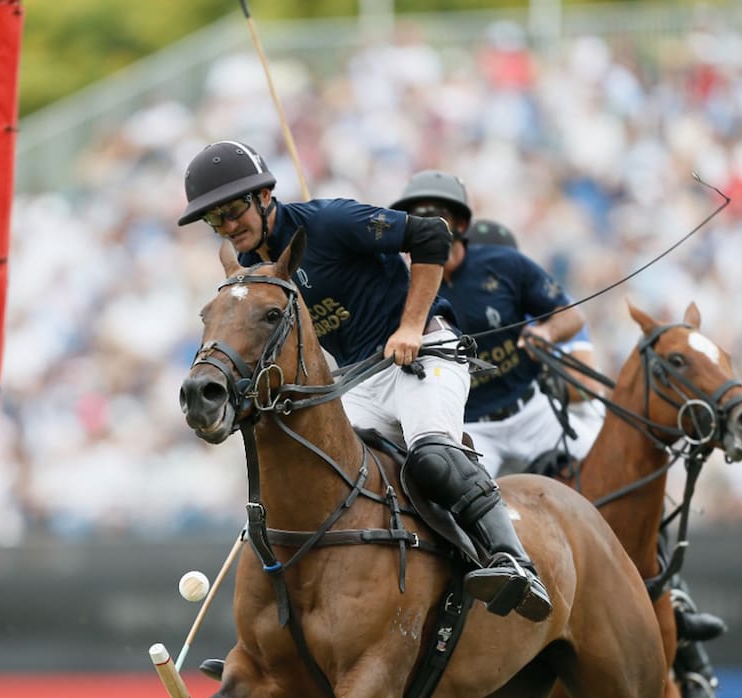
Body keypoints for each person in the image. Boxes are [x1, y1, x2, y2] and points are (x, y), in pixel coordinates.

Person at [178, 140, 552, 625]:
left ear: (265, 196)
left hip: (426, 355)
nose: (229, 226)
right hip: (360, 380)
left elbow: (432, 237)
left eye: (234, 210)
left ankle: (514, 562)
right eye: (216, 220)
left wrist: (412, 325)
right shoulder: (252, 277)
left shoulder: (331, 221)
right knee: (311, 475)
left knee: (432, 456)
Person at [457, 212, 726, 698]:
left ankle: (684, 632)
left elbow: (585, 383)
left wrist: (547, 363)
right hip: (482, 439)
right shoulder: (445, 312)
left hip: (545, 428)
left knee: (632, 483)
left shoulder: (529, 307)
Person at [389, 171, 594, 478]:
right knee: (457, 507)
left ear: (460, 224)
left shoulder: (504, 263)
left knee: (609, 473)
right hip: (470, 430)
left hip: (533, 412)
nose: (427, 224)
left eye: (437, 215)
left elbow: (572, 316)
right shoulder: (398, 289)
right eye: (416, 217)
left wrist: (546, 331)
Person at [463, 217, 609, 470]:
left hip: (560, 419)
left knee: (608, 476)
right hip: (481, 429)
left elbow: (587, 388)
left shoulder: (549, 307)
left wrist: (538, 368)